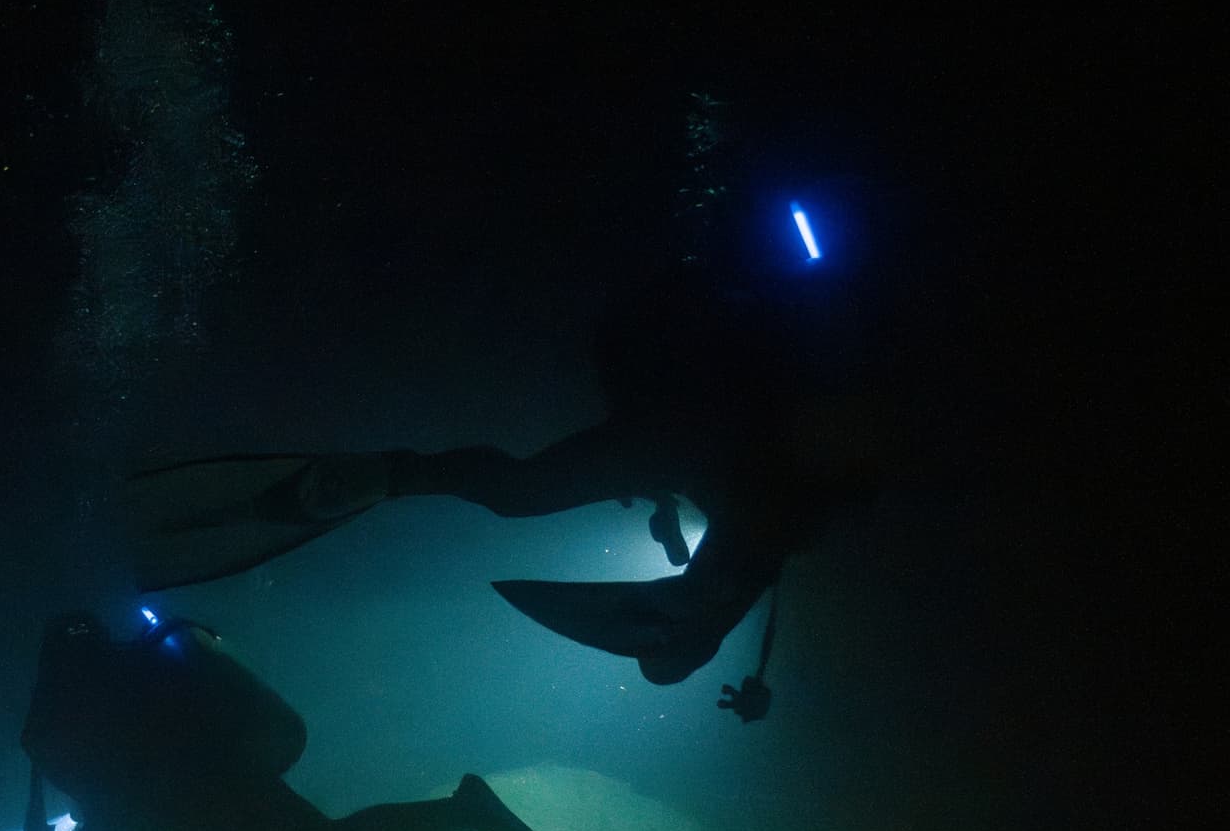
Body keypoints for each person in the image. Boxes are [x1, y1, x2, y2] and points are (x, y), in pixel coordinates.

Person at [123, 210, 885, 708]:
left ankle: (396, 474)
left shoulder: (779, 463)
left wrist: (661, 487)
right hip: (695, 451)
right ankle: (396, 474)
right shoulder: (780, 472)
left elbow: (749, 508)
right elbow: (757, 515)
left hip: (687, 448)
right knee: (533, 499)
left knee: (522, 494)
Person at [20, 610, 649, 831]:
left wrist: (112, 815)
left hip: (200, 820)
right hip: (229, 790)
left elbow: (101, 799)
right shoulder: (134, 677)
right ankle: (460, 814)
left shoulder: (55, 720)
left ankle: (459, 816)